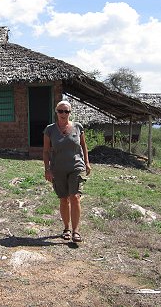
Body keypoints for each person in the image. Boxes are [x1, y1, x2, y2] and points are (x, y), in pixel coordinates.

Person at [43, 100, 91, 243]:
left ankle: (76, 231)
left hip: (76, 166)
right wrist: (47, 169)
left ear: (70, 113)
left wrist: (87, 163)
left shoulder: (78, 127)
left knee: (75, 197)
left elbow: (83, 146)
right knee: (63, 199)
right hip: (58, 169)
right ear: (56, 112)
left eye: (66, 111)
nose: (64, 114)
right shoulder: (50, 130)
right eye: (61, 111)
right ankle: (66, 228)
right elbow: (46, 151)